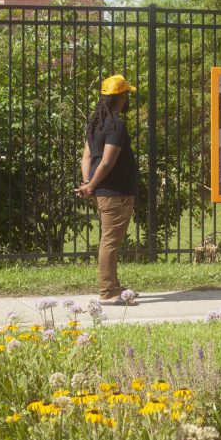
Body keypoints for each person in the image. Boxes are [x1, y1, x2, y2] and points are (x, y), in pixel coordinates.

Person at [75, 74, 139, 305]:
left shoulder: (96, 123)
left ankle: (113, 285)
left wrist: (88, 183)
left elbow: (87, 156)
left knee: (109, 239)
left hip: (105, 191)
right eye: (127, 94)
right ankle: (107, 292)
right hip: (115, 192)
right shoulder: (116, 125)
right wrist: (91, 185)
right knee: (110, 241)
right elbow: (107, 162)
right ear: (121, 97)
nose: (129, 98)